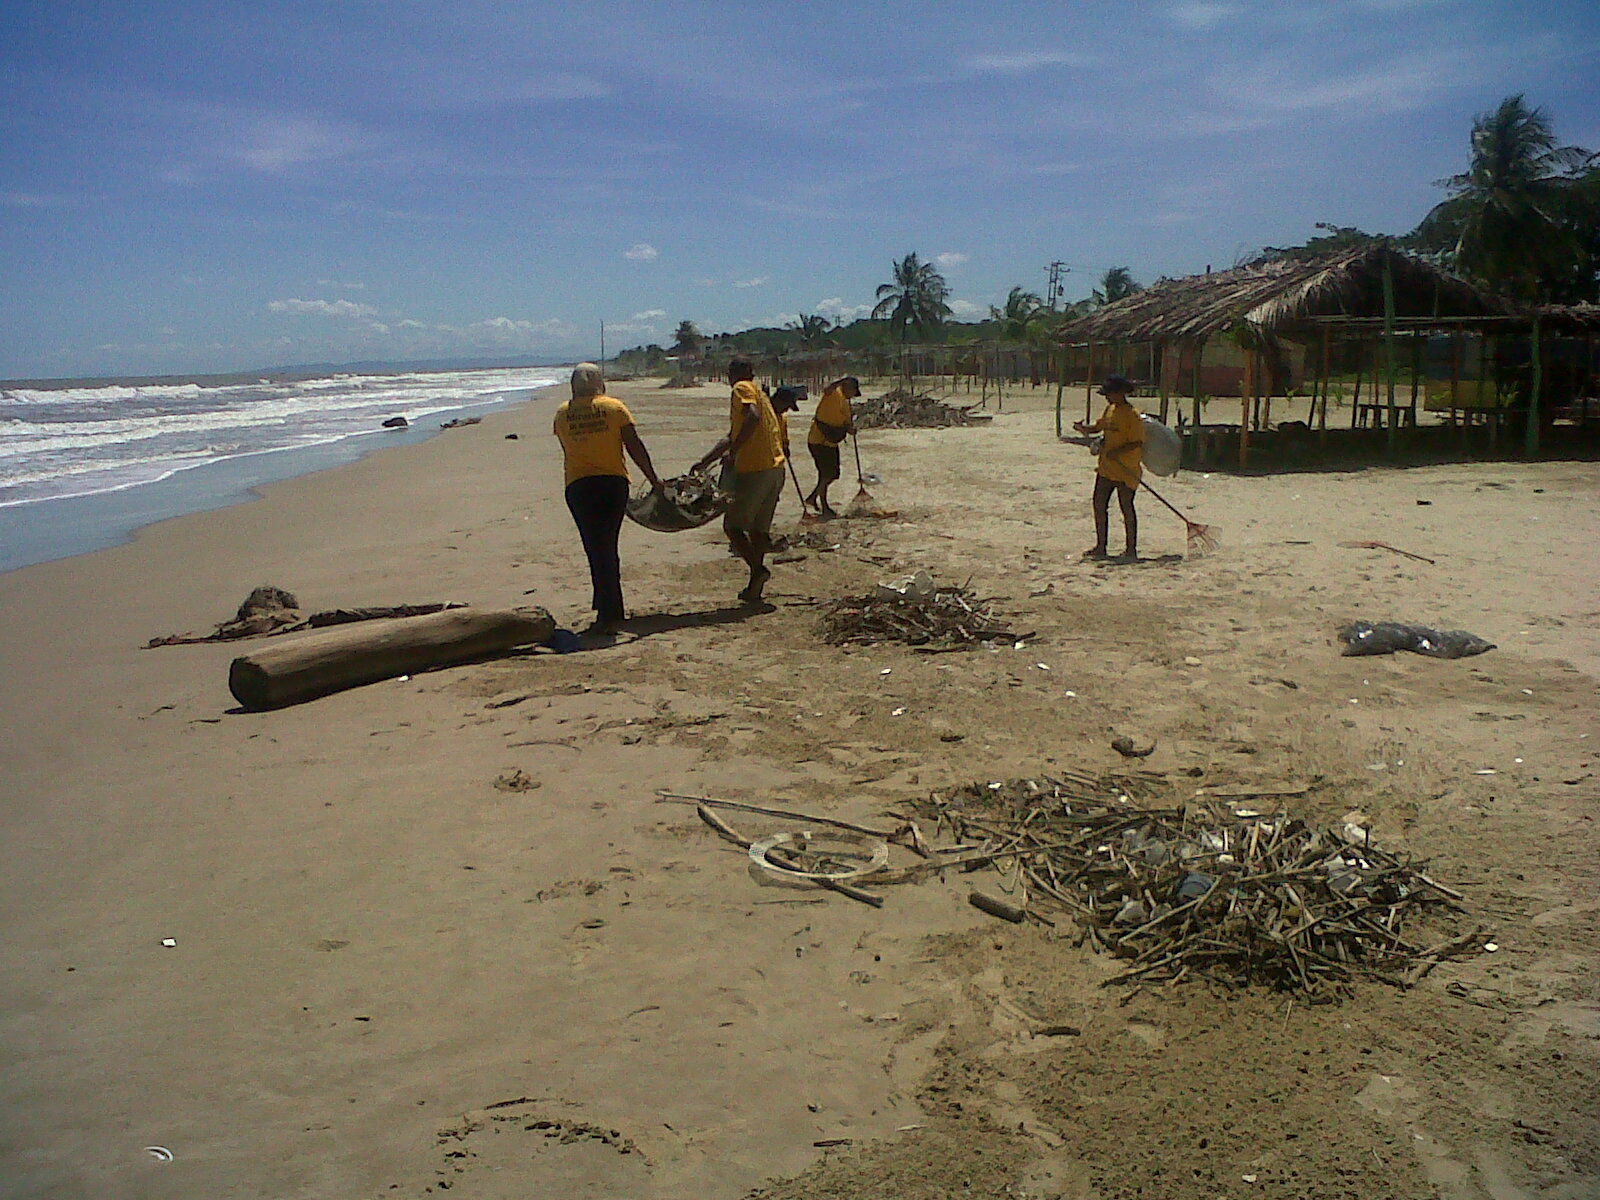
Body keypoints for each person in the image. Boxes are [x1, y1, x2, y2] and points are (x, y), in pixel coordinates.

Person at [552, 363, 663, 634]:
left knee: (595, 546)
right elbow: (634, 446)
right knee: (607, 546)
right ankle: (609, 607)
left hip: (578, 486)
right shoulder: (614, 408)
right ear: (600, 382)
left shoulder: (562, 414)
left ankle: (608, 609)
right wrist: (653, 479)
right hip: (613, 484)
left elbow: (567, 448)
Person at [692, 360, 787, 604]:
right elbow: (733, 434)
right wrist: (705, 461)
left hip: (756, 469)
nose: (730, 378)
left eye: (731, 373)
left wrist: (734, 453)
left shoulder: (742, 389)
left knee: (733, 527)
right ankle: (755, 586)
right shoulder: (761, 393)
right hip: (775, 468)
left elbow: (752, 419)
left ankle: (758, 571)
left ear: (739, 373)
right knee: (757, 531)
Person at [1073, 373, 1145, 561]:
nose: (1107, 397)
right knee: (1099, 504)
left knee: (1126, 508)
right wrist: (1084, 429)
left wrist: (1118, 452)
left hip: (1126, 470)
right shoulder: (1110, 410)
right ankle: (1101, 547)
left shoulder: (1133, 416)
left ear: (1121, 393)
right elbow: (1099, 428)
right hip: (1106, 468)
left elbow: (1137, 443)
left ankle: (1131, 549)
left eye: (1110, 393)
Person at [805, 376, 860, 517]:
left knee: (832, 475)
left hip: (831, 442)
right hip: (818, 440)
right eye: (853, 391)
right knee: (826, 474)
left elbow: (847, 424)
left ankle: (814, 498)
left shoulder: (847, 404)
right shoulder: (834, 393)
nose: (853, 395)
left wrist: (851, 430)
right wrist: (841, 381)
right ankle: (821, 504)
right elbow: (827, 389)